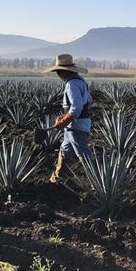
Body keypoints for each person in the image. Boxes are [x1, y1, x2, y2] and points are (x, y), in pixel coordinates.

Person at [42, 54, 92, 183]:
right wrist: (64, 121)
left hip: (77, 126)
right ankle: (56, 180)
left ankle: (98, 184)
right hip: (74, 125)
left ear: (64, 71)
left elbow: (77, 107)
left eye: (58, 71)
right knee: (65, 150)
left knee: (84, 156)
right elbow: (88, 101)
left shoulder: (72, 84)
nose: (58, 75)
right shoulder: (80, 81)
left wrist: (63, 121)